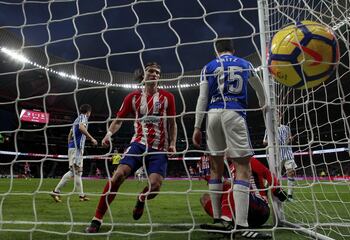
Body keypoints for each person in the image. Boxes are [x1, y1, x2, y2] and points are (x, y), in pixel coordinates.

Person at [85, 62, 177, 233]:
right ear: (144, 75)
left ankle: (141, 199)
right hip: (138, 144)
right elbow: (118, 120)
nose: (154, 75)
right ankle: (97, 219)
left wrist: (172, 144)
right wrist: (108, 134)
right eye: (151, 71)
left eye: (157, 72)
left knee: (155, 186)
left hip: (159, 148)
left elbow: (172, 123)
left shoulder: (168, 97)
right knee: (118, 175)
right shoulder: (133, 98)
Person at [192, 39, 266, 237]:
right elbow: (259, 88)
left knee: (216, 167)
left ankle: (217, 218)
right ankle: (241, 225)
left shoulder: (208, 66)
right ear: (233, 50)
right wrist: (264, 104)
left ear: (217, 51)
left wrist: (197, 126)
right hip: (234, 113)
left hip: (213, 114)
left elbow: (202, 98)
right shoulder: (245, 64)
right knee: (243, 168)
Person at [200, 157, 287, 234]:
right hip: (243, 212)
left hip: (260, 208)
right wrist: (212, 178)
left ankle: (225, 220)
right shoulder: (231, 168)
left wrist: (278, 190)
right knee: (204, 198)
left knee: (232, 188)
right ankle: (224, 220)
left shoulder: (248, 160)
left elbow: (267, 173)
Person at [51, 104, 98, 202]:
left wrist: (70, 145)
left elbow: (70, 134)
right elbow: (81, 128)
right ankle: (56, 191)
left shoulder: (77, 119)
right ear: (88, 112)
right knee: (74, 171)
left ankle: (81, 196)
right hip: (77, 148)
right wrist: (91, 138)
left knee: (78, 173)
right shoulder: (83, 117)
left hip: (73, 147)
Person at [263, 114, 296, 201]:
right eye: (274, 116)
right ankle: (264, 192)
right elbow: (264, 142)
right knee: (273, 175)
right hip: (276, 155)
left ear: (280, 117)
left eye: (277, 115)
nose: (276, 117)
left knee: (291, 172)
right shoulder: (269, 129)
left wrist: (290, 139)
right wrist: (272, 142)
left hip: (287, 153)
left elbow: (290, 138)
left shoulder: (286, 128)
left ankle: (289, 195)